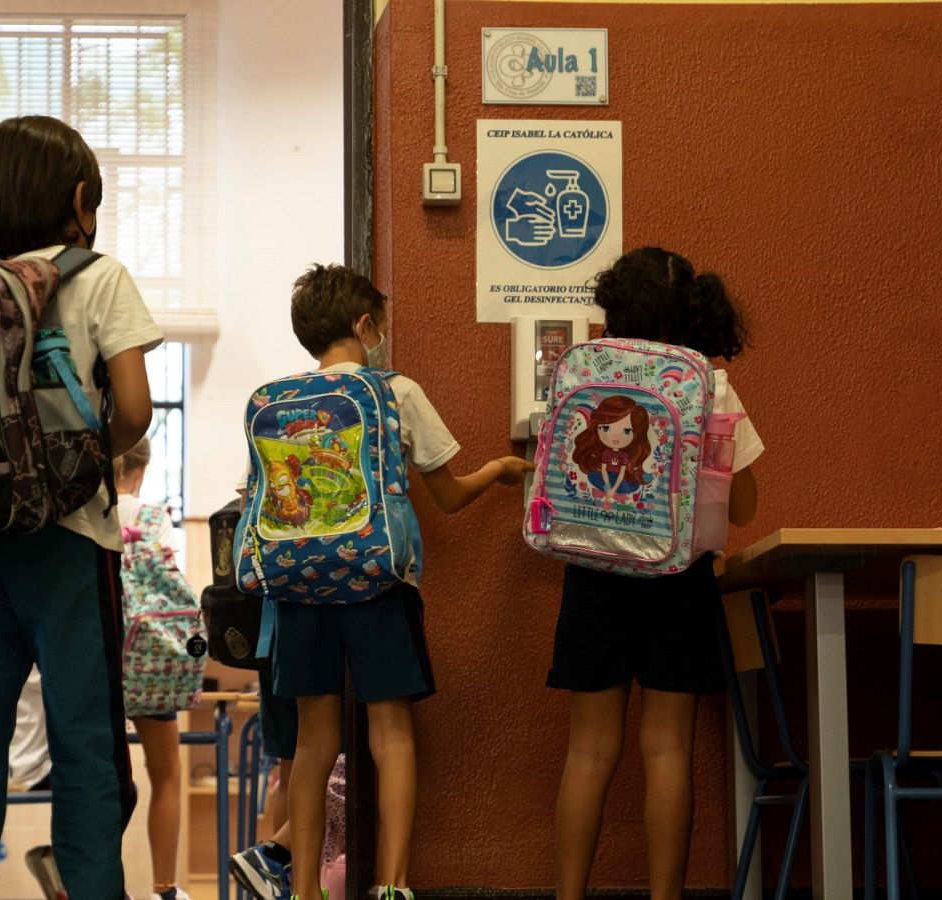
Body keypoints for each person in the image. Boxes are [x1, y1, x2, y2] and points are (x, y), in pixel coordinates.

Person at [0, 115, 162, 900]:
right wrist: (92, 455)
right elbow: (134, 409)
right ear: (79, 199)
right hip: (66, 543)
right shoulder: (97, 277)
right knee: (85, 748)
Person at [263, 264, 530, 900]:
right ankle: (392, 886)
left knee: (313, 740)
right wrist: (495, 470)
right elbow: (447, 496)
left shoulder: (278, 401)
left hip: (299, 587)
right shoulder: (396, 392)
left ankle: (303, 891)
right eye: (379, 325)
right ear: (365, 326)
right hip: (380, 581)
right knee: (390, 733)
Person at [549, 247, 762, 900]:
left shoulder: (583, 375)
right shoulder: (709, 384)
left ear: (613, 310)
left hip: (593, 570)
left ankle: (567, 896)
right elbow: (745, 506)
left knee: (588, 752)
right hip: (677, 578)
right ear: (689, 314)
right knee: (666, 749)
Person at [114, 438, 191, 900]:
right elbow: (171, 589)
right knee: (165, 772)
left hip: (96, 654)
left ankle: (97, 883)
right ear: (141, 471)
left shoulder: (87, 512)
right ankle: (164, 888)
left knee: (101, 777)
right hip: (147, 662)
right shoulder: (152, 517)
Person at [229, 679, 298, 900]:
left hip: (272, 660)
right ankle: (274, 854)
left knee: (291, 771)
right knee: (332, 767)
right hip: (319, 659)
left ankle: (285, 878)